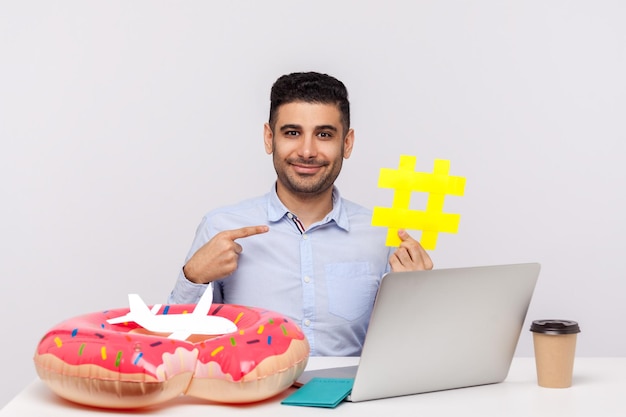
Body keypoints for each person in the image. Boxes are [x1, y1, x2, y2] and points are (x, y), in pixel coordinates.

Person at [168, 71, 433, 356]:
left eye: (324, 134)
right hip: (257, 399)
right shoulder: (221, 227)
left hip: (350, 399)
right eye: (292, 133)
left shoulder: (383, 234)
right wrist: (192, 278)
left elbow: (406, 355)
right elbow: (176, 347)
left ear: (347, 143)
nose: (307, 151)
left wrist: (416, 296)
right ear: (269, 138)